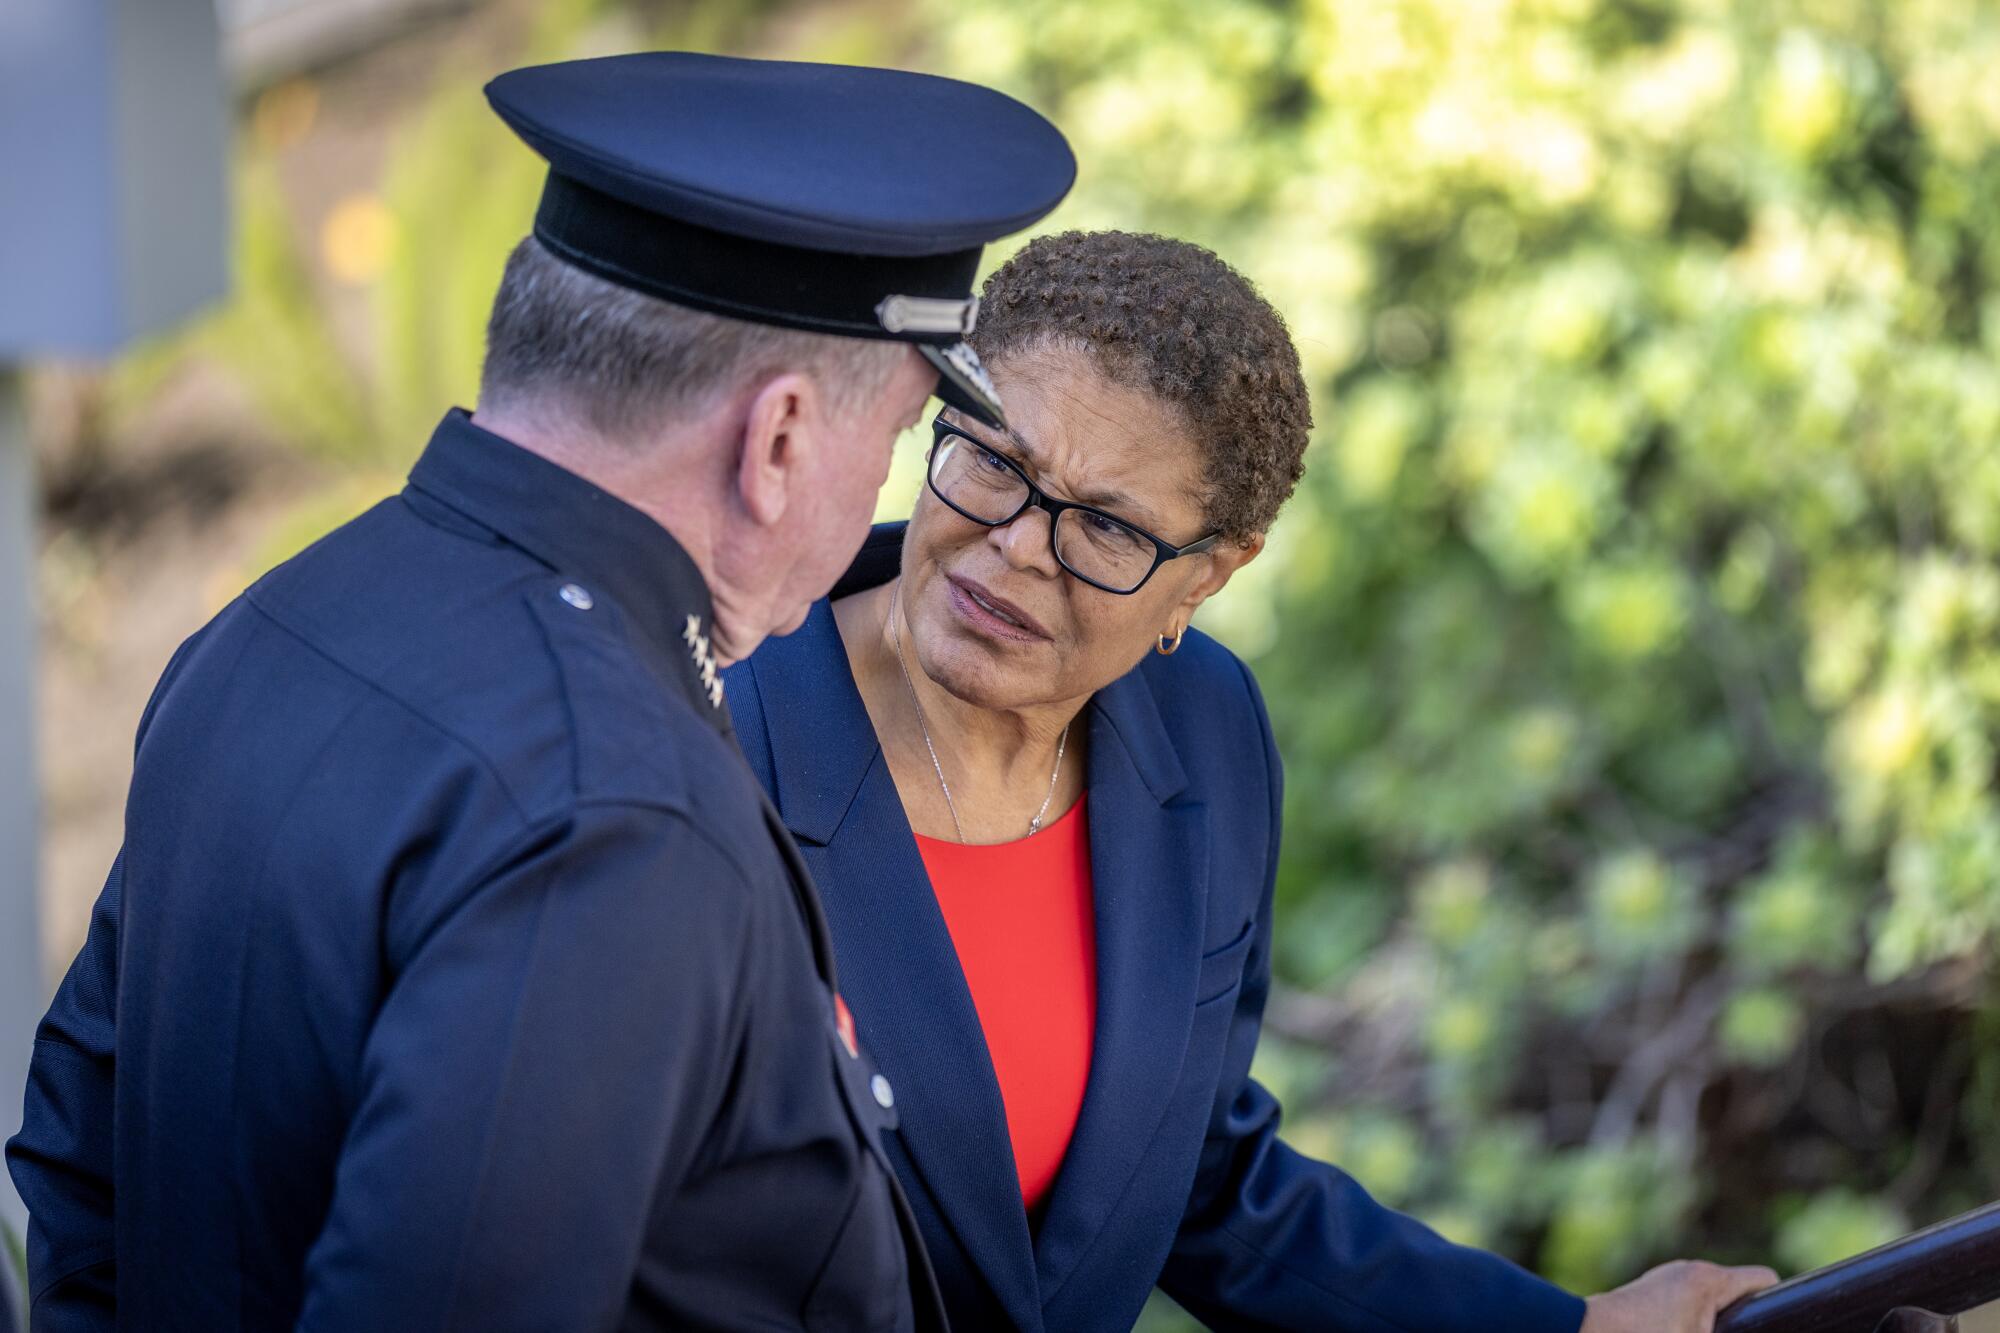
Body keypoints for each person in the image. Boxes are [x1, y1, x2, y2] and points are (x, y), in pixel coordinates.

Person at [5, 51, 1072, 1332]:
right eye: (898, 435)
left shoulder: (274, 624)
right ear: (779, 440)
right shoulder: (615, 814)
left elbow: (82, 1151)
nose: (885, 496)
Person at [721, 230, 1778, 1333]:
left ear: (1212, 575)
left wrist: (1574, 1328)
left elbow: (1199, 1180)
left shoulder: (1204, 732)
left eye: (1107, 525)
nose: (1020, 546)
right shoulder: (712, 733)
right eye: (992, 459)